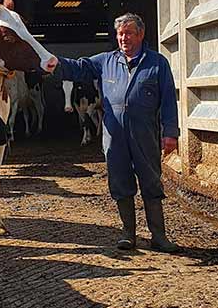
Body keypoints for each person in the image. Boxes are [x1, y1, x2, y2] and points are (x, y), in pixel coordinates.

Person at [57, 13, 180, 252]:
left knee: (151, 183)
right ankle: (128, 235)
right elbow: (79, 67)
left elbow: (168, 101)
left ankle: (159, 236)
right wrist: (54, 62)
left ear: (141, 34)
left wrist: (170, 133)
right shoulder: (106, 61)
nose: (123, 38)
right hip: (114, 136)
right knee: (120, 182)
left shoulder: (157, 63)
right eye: (120, 34)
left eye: (129, 33)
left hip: (145, 134)